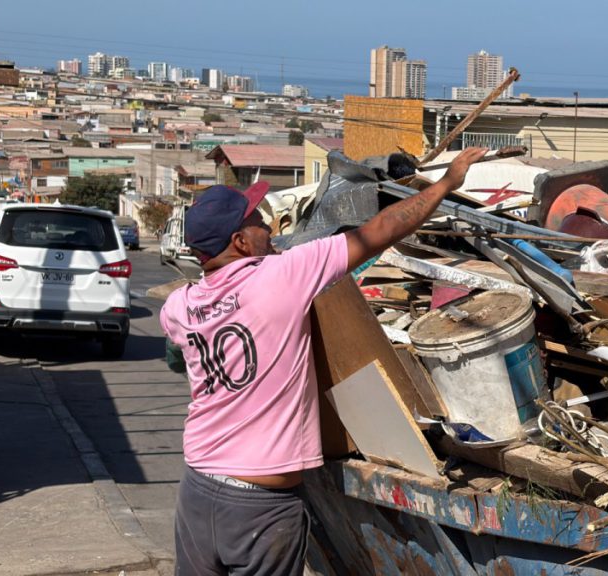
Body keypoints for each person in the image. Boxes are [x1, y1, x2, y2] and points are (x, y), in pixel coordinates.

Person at [160, 147, 489, 576]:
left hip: (197, 491)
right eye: (258, 222)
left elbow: (182, 351)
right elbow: (380, 230)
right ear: (239, 242)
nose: (269, 228)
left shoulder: (179, 306)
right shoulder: (281, 276)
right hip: (259, 509)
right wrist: (446, 184)